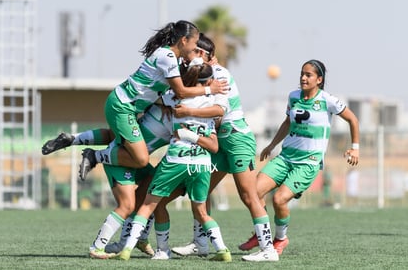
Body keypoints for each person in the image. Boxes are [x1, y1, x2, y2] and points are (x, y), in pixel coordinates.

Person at [169, 33, 279, 262]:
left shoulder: (220, 74)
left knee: (248, 196)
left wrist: (187, 111)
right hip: (220, 143)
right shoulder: (202, 75)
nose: (191, 55)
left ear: (205, 54)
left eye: (195, 51)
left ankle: (269, 250)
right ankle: (200, 243)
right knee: (201, 191)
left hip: (237, 139)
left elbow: (219, 111)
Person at [238, 59, 360, 256]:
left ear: (319, 79)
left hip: (307, 163)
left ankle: (280, 239)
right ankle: (261, 233)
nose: (303, 78)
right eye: (302, 74)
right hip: (285, 157)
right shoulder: (293, 96)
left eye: (308, 75)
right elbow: (287, 123)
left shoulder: (327, 100)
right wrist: (271, 145)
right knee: (252, 193)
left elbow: (353, 119)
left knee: (279, 200)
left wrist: (355, 148)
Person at [78, 20, 227, 181]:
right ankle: (94, 155)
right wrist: (209, 89)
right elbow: (181, 92)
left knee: (121, 145)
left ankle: (74, 141)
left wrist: (209, 64)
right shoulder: (168, 56)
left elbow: (187, 76)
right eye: (195, 43)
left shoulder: (173, 59)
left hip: (129, 109)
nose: (195, 48)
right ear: (184, 40)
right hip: (122, 105)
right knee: (140, 159)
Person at [117, 61, 232, 262]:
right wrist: (195, 134)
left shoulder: (175, 98)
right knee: (202, 212)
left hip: (176, 159)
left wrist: (185, 133)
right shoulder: (213, 105)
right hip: (202, 163)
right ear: (209, 81)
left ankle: (132, 249)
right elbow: (214, 145)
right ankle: (222, 250)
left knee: (148, 205)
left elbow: (156, 97)